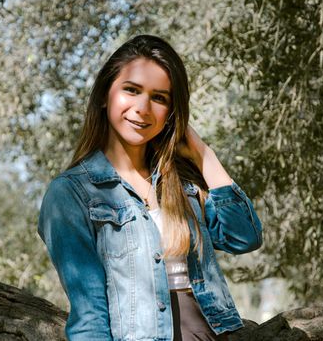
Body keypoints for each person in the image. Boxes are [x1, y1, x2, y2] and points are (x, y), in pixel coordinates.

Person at [37, 34, 263, 341]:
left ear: (171, 111)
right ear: (105, 95)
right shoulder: (71, 194)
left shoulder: (183, 183)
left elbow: (244, 237)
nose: (142, 108)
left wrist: (201, 151)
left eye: (159, 98)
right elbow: (89, 313)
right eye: (131, 90)